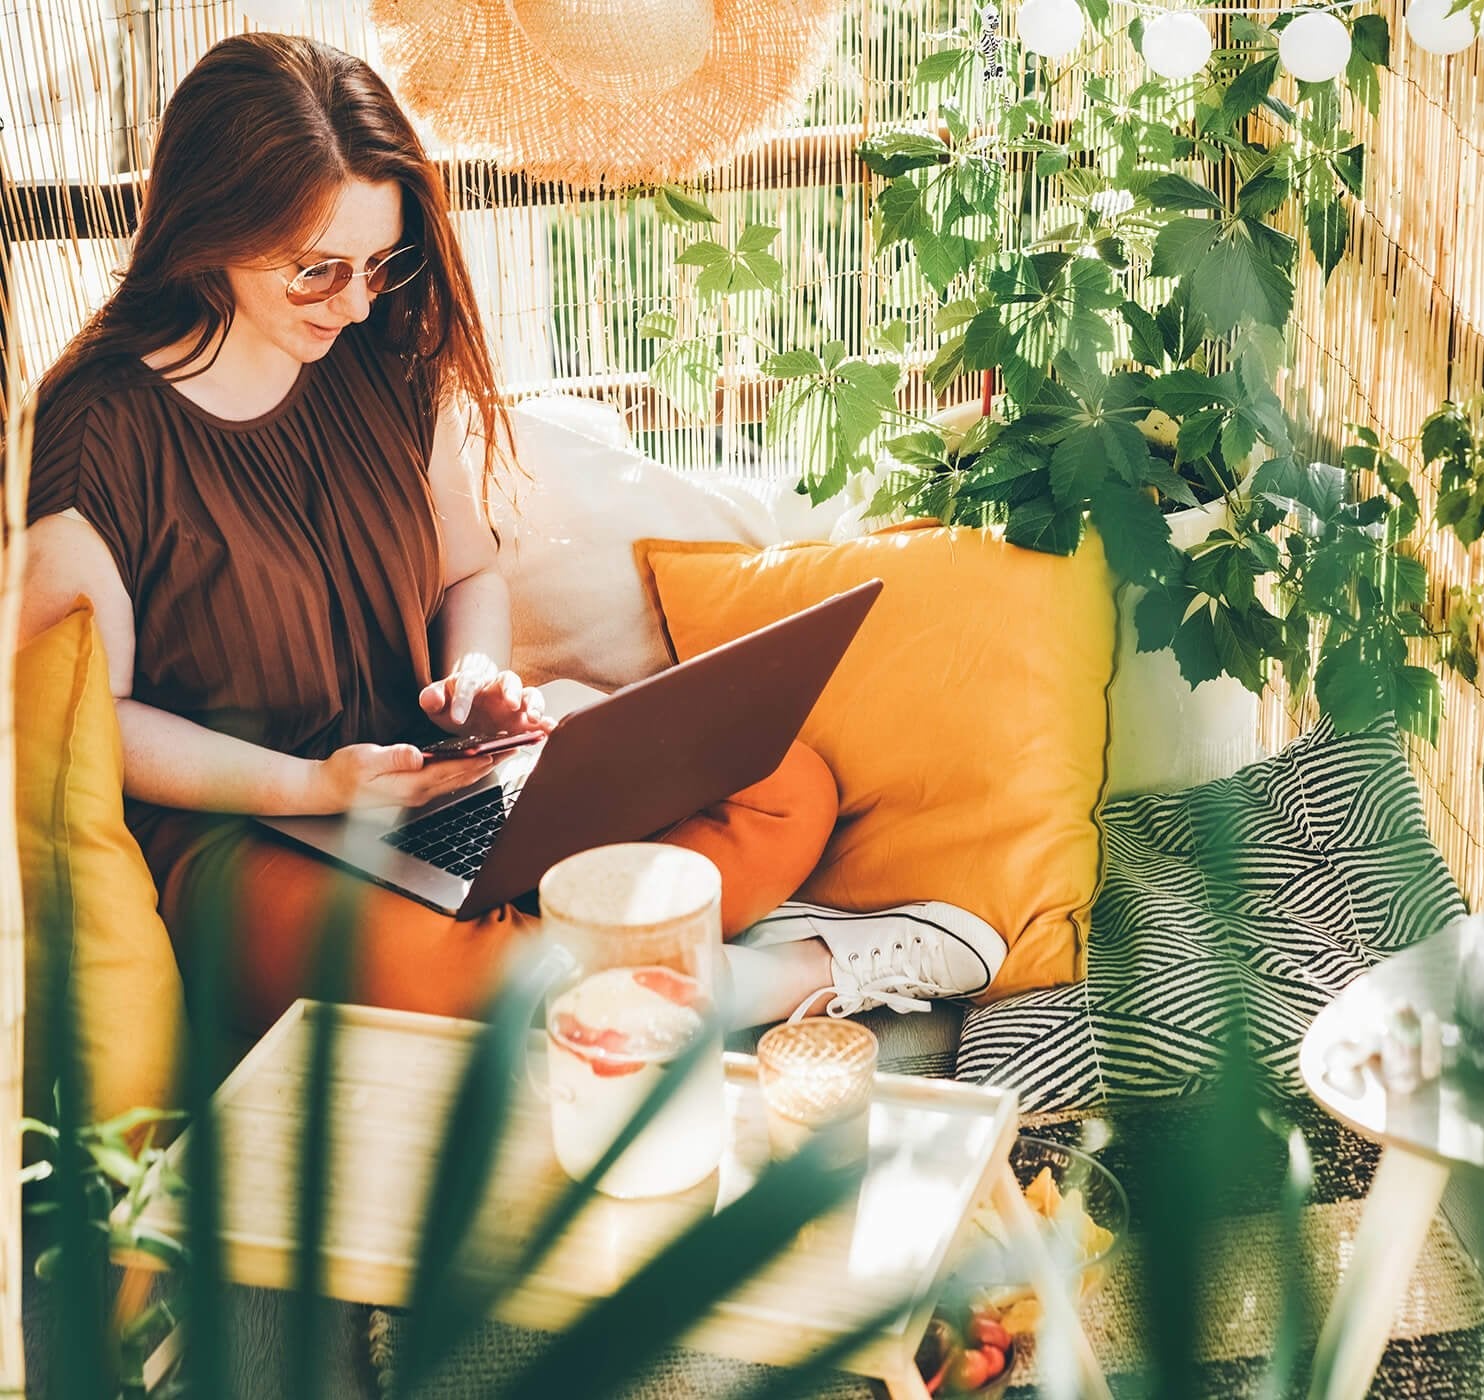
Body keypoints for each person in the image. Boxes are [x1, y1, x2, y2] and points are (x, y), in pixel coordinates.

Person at [22, 33, 1003, 1035]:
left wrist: (476, 681)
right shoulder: (96, 428)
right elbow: (90, 717)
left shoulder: (381, 356)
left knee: (786, 785)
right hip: (244, 828)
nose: (357, 302)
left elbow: (469, 569)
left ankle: (578, 960)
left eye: (379, 261)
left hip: (426, 781)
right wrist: (311, 782)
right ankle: (778, 975)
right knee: (467, 976)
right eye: (317, 270)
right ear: (210, 229)